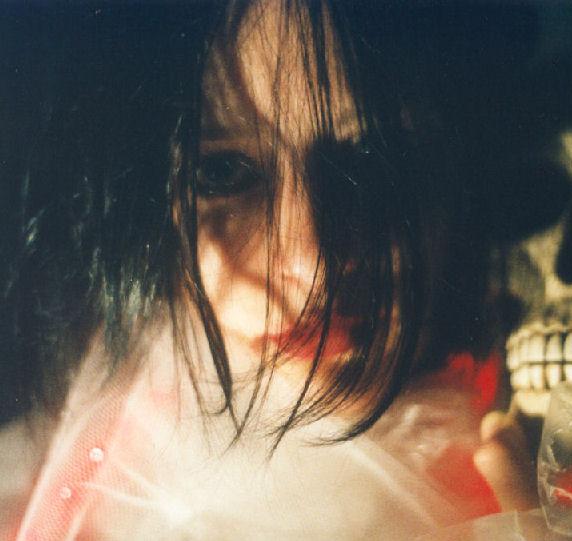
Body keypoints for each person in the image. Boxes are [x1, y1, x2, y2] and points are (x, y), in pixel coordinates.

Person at [0, 1, 540, 539]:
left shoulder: (557, 449)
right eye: (220, 172)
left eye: (372, 154)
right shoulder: (38, 494)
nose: (314, 264)